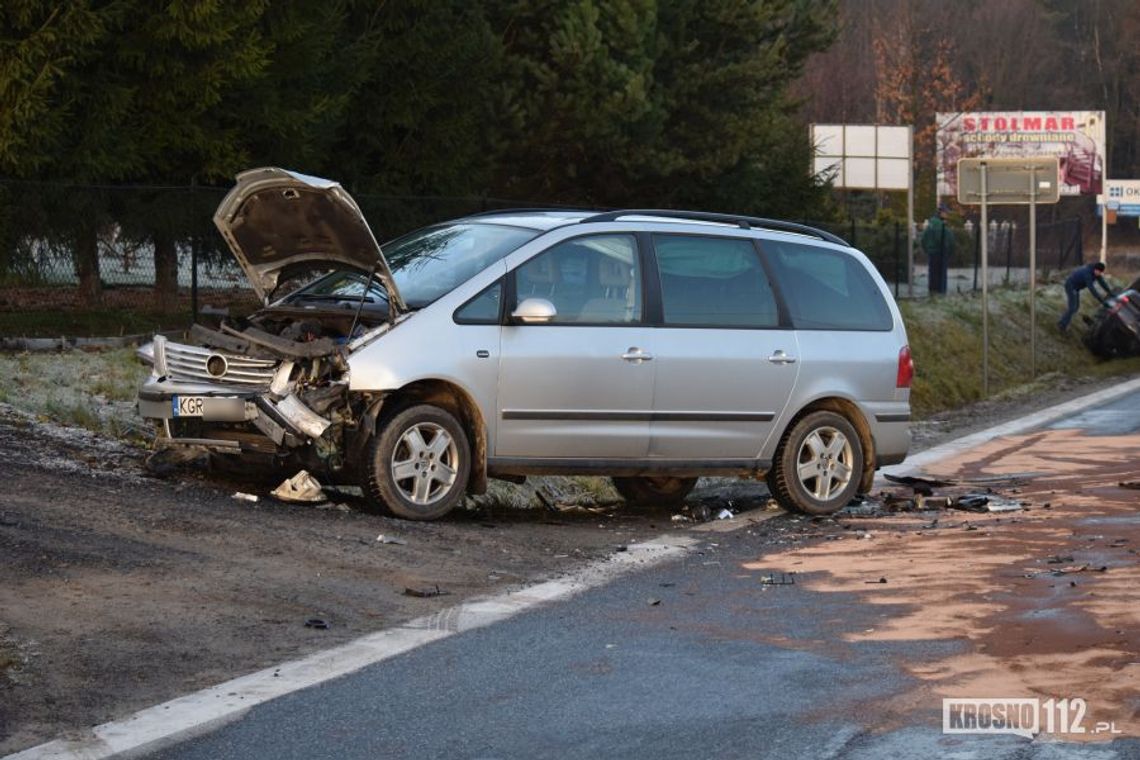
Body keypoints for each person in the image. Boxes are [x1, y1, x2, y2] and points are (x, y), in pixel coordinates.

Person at [1058, 261, 1110, 332]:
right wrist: (1101, 301)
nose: (1100, 274)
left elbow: (1102, 283)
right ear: (1096, 269)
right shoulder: (1087, 273)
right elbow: (1092, 289)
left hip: (1076, 288)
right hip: (1071, 286)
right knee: (1072, 308)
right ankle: (1062, 325)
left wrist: (1110, 292)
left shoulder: (1095, 273)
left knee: (1075, 307)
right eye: (1099, 272)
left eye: (1101, 272)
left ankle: (1064, 319)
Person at [921, 203, 954, 294]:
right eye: (946, 212)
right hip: (940, 252)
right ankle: (940, 293)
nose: (947, 215)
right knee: (940, 276)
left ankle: (932, 292)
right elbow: (944, 239)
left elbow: (923, 239)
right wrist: (948, 250)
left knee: (933, 275)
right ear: (941, 212)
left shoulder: (931, 224)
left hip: (931, 252)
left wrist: (927, 249)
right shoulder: (940, 225)